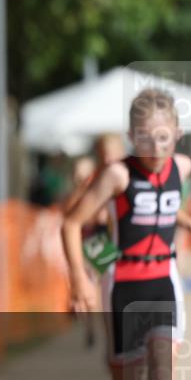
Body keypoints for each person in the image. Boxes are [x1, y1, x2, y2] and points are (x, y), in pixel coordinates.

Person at [62, 89, 191, 380]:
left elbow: (167, 206)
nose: (156, 146)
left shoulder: (182, 167)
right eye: (146, 137)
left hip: (164, 280)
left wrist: (185, 220)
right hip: (123, 283)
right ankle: (114, 354)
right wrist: (79, 280)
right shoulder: (117, 174)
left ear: (178, 133)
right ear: (133, 137)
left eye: (164, 137)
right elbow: (70, 223)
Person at [63, 135, 128, 347]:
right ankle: (95, 328)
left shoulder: (126, 175)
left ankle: (107, 331)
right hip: (94, 238)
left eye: (111, 152)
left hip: (112, 238)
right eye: (103, 153)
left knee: (106, 287)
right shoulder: (94, 179)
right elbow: (71, 213)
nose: (108, 157)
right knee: (96, 284)